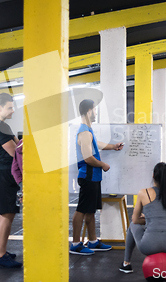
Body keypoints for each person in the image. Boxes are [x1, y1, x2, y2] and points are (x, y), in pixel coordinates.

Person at [69, 99, 124, 255]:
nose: (96, 112)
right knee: (81, 210)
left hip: (93, 176)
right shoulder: (84, 132)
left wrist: (113, 147)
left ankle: (93, 241)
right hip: (88, 175)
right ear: (89, 111)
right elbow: (88, 158)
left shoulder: (88, 130)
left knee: (90, 210)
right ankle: (75, 244)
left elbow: (96, 144)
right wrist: (102, 164)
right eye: (95, 110)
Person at [119, 162, 166, 274]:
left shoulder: (144, 192)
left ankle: (126, 264)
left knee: (132, 225)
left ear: (153, 175)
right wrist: (152, 218)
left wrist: (148, 219)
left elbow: (135, 219)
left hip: (149, 245)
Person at [0, 93, 22, 268]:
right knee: (7, 213)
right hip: (6, 174)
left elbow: (19, 145)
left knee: (1, 212)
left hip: (1, 172)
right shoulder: (0, 128)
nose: (12, 110)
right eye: (9, 107)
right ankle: (1, 256)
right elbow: (17, 154)